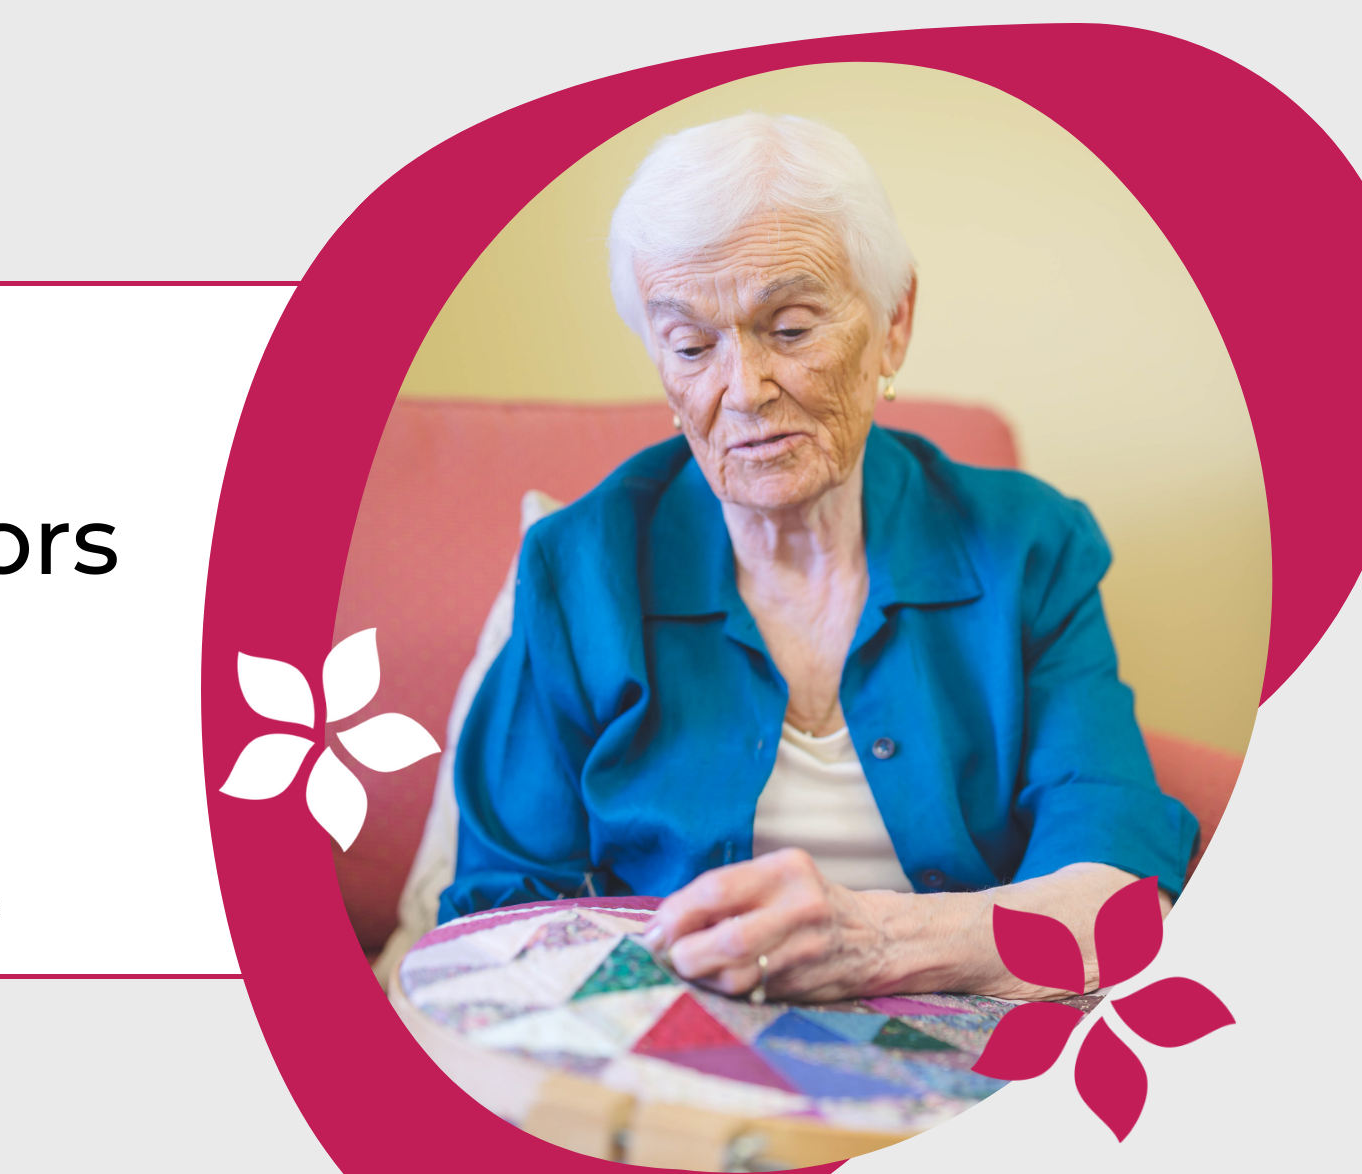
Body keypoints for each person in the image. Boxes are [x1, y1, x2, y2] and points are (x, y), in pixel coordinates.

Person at [439, 113, 1194, 1003]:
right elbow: (500, 912)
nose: (744, 389)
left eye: (790, 329)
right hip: (663, 1056)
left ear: (894, 323)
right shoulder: (579, 569)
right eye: (691, 346)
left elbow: (1114, 894)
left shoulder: (1030, 549)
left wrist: (878, 943)